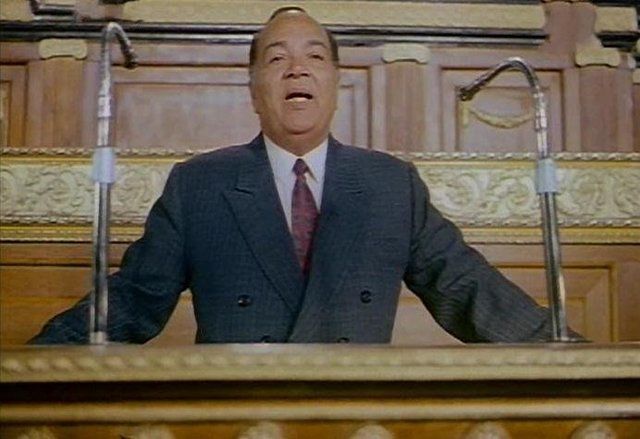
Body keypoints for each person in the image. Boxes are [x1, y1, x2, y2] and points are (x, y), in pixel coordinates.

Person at [31, 7, 561, 345]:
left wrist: (565, 354)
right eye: (276, 59)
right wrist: (32, 363)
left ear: (334, 82)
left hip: (355, 419)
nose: (297, 69)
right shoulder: (200, 185)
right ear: (253, 89)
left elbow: (465, 287)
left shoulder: (390, 185)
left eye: (314, 57)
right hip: (235, 417)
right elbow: (132, 300)